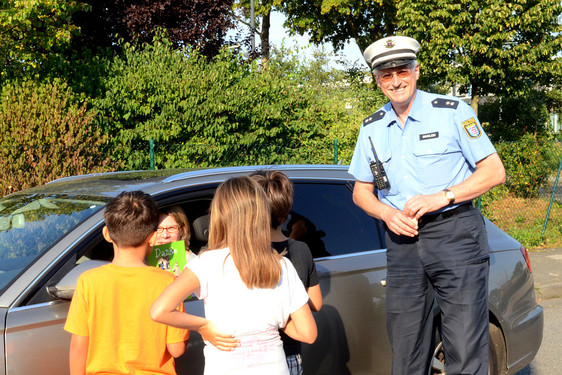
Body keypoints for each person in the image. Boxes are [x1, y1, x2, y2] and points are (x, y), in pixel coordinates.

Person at [348, 36, 506, 375]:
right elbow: (361, 191)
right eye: (386, 76)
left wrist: (442, 196)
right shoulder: (371, 127)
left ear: (416, 71)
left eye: (402, 71)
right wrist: (386, 213)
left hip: (455, 233)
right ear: (377, 81)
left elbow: (494, 171)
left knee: (464, 347)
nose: (395, 81)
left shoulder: (452, 113)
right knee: (405, 351)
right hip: (402, 241)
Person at [150, 176, 317, 375]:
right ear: (262, 214)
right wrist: (271, 322)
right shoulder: (283, 265)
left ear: (220, 216)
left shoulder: (207, 262)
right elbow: (308, 334)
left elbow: (159, 311)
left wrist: (203, 326)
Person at [64, 191, 190, 375]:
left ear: (106, 234)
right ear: (153, 238)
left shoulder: (88, 281)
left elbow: (77, 348)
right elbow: (176, 349)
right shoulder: (167, 282)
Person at [251, 170, 322, 375]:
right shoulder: (300, 249)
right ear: (287, 209)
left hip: (250, 353)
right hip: (289, 352)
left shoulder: (243, 252)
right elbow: (315, 303)